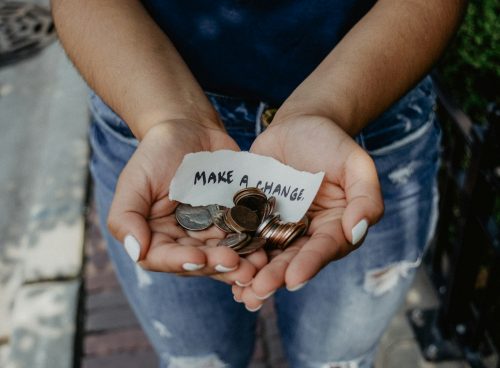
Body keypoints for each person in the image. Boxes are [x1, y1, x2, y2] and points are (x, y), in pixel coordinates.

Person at [51, 1, 466, 367]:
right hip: (149, 118)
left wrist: (324, 111)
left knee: (337, 363)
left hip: (368, 113)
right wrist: (168, 120)